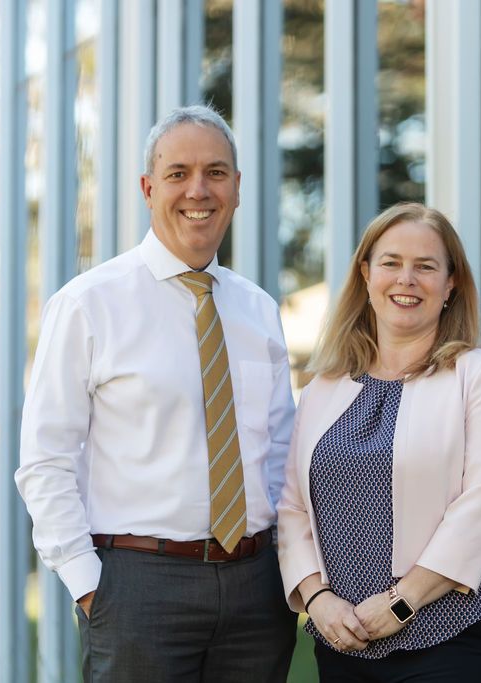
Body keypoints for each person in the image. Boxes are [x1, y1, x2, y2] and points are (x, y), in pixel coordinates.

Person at [16, 104, 297, 682]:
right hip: (138, 586)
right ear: (149, 188)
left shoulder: (258, 310)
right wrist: (90, 585)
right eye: (178, 173)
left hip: (255, 590)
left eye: (216, 172)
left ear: (237, 188)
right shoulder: (88, 304)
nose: (199, 189)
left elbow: (279, 455)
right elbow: (46, 460)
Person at [277, 202, 481, 682]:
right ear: (366, 274)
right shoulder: (323, 389)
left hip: (460, 637)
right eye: (391, 263)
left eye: (426, 266)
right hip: (346, 641)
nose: (406, 279)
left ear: (451, 283)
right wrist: (318, 600)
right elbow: (291, 510)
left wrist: (402, 601)